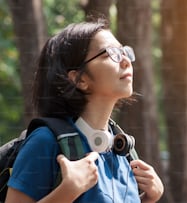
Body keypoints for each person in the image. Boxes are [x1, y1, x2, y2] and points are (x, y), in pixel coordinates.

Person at [5, 17, 164, 203]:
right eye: (110, 53)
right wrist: (67, 191)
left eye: (124, 52)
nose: (126, 61)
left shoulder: (124, 152)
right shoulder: (45, 142)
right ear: (79, 79)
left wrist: (149, 199)